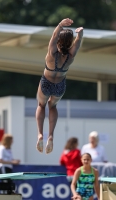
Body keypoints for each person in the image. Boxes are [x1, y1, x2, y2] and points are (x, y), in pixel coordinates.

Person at [36, 18, 83, 154]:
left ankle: (40, 134)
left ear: (58, 41)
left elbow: (54, 36)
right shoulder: (70, 56)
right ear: (70, 42)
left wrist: (60, 25)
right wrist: (80, 34)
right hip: (60, 85)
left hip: (46, 82)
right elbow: (78, 42)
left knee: (41, 105)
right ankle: (50, 135)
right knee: (53, 106)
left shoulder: (52, 52)